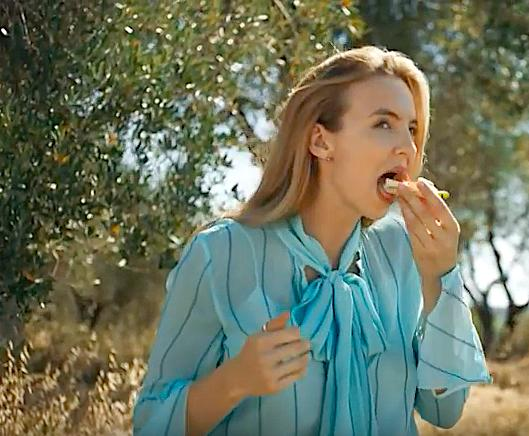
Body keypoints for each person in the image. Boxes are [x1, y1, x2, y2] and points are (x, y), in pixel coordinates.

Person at [131, 45, 491, 436]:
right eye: (383, 124)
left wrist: (439, 277)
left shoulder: (401, 251)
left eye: (412, 129)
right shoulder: (220, 254)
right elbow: (152, 425)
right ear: (320, 141)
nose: (407, 147)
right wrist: (234, 381)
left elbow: (445, 409)